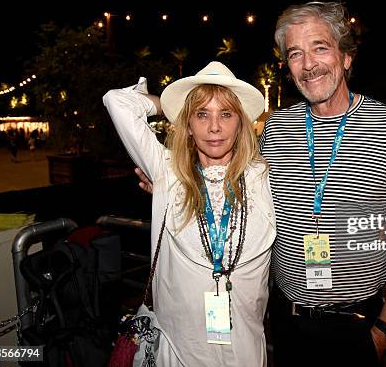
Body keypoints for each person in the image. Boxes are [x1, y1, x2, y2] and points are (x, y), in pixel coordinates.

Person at [136, 2, 386, 365]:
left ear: (346, 57)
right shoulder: (275, 129)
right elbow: (229, 180)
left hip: (358, 325)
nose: (308, 64)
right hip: (285, 323)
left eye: (320, 47)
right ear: (288, 66)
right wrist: (171, 184)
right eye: (296, 53)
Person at [103, 61, 276, 366]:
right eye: (201, 114)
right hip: (179, 349)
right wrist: (166, 104)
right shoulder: (167, 172)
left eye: (225, 114)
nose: (214, 127)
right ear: (187, 123)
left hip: (246, 348)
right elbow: (117, 101)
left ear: (240, 121)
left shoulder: (263, 176)